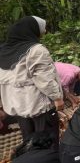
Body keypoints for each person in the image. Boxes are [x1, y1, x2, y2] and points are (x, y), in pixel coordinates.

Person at [0, 16, 63, 149]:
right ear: (32, 30)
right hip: (38, 107)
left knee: (29, 142)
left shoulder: (3, 51)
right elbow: (44, 80)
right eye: (42, 29)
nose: (44, 31)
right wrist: (57, 98)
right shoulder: (36, 50)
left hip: (19, 107)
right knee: (47, 143)